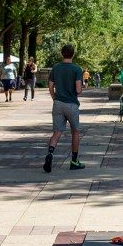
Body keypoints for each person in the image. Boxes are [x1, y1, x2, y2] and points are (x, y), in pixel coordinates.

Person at [44, 44, 85, 172]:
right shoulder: (77, 69)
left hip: (58, 103)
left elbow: (50, 86)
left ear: (62, 53)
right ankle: (74, 161)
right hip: (71, 104)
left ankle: (50, 153)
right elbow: (78, 90)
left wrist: (54, 97)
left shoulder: (55, 68)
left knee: (57, 132)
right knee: (75, 132)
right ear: (73, 54)